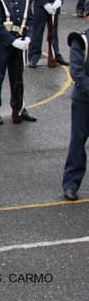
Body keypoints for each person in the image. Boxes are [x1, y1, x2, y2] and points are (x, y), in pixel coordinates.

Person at [63, 13, 89, 201]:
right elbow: (77, 72)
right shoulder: (81, 41)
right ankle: (71, 183)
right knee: (78, 142)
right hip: (84, 100)